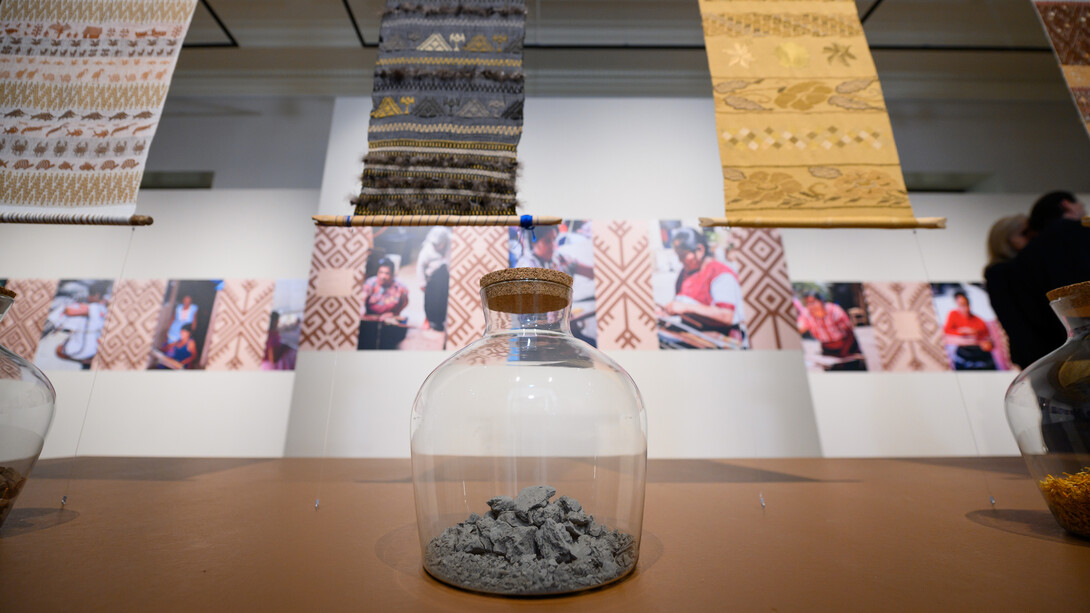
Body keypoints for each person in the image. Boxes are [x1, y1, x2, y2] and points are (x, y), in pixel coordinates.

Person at [1007, 191, 1090, 366]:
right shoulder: (1085, 234)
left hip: (1064, 359)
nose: (1083, 209)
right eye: (1081, 205)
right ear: (1067, 205)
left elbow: (1032, 317)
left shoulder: (1024, 259)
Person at [660, 227, 748, 348]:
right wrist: (665, 312)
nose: (680, 260)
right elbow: (680, 307)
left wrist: (686, 307)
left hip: (718, 337)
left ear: (700, 250)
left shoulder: (721, 274)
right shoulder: (684, 273)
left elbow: (727, 315)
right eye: (678, 255)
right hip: (690, 333)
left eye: (683, 255)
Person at [982, 214, 1031, 368]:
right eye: (1024, 234)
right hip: (1034, 349)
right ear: (1007, 240)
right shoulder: (1001, 273)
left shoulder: (1002, 272)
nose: (1032, 238)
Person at [796, 292, 865, 370]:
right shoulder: (806, 314)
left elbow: (849, 332)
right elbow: (800, 326)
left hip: (847, 346)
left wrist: (845, 353)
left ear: (821, 301)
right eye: (807, 303)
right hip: (828, 349)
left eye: (813, 302)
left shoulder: (834, 310)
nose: (810, 306)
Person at [54, 281, 109, 370]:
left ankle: (82, 359)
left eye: (90, 295)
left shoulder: (95, 307)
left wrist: (76, 306)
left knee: (58, 350)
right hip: (92, 349)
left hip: (81, 350)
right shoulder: (103, 308)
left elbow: (69, 311)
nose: (88, 297)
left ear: (97, 295)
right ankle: (85, 360)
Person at [359, 257, 410, 349]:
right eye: (380, 272)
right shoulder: (370, 283)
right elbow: (362, 302)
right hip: (370, 318)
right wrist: (364, 315)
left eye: (387, 273)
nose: (383, 276)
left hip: (389, 318)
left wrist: (394, 313)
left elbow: (404, 302)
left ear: (392, 275)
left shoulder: (400, 287)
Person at [943, 291, 997, 370]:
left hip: (979, 355)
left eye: (964, 304)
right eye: (959, 305)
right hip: (962, 355)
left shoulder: (979, 320)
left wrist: (985, 344)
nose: (962, 308)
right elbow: (947, 331)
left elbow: (989, 341)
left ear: (969, 305)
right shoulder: (953, 314)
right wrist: (961, 332)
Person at [515, 225, 594, 278]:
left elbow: (590, 272)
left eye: (554, 239)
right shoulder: (526, 267)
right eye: (547, 241)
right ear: (534, 243)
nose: (553, 245)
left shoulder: (560, 259)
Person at [416, 227, 451, 332]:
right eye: (435, 245)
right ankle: (427, 319)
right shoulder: (427, 249)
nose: (437, 247)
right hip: (432, 278)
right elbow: (420, 266)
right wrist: (422, 283)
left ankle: (440, 321)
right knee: (430, 300)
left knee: (443, 300)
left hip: (446, 277)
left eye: (440, 244)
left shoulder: (451, 243)